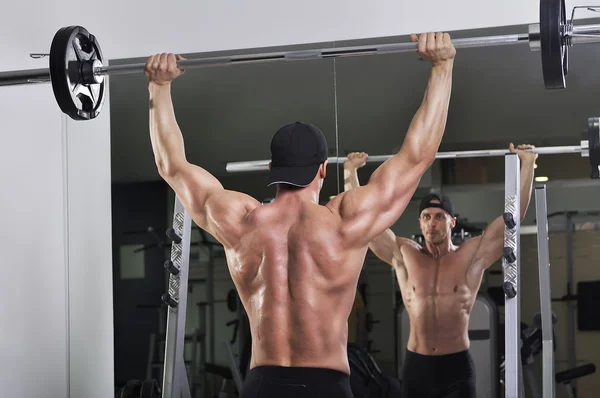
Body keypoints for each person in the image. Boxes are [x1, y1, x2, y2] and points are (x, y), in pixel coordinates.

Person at [143, 31, 456, 398]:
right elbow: (418, 155)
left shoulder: (241, 222)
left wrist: (158, 87)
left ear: (273, 167)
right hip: (326, 386)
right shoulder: (344, 223)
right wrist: (442, 67)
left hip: (262, 385)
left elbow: (172, 166)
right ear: (323, 170)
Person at [343, 144, 537, 398]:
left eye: (438, 217)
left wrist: (527, 165)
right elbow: (363, 223)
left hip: (456, 368)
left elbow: (512, 221)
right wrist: (350, 174)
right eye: (426, 217)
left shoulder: (470, 257)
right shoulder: (405, 255)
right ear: (419, 222)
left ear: (452, 222)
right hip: (417, 367)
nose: (431, 223)